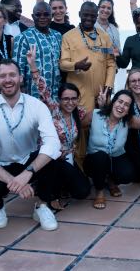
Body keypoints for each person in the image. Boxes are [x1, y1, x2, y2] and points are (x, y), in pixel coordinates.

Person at [0, 59, 63, 231]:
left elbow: (52, 143)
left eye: (12, 75)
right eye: (3, 76)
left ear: (21, 78)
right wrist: (15, 182)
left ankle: (42, 205)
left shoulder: (37, 106)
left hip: (27, 161)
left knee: (51, 158)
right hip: (0, 164)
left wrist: (27, 174)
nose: (8, 80)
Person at [26, 46, 91, 209]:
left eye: (73, 99)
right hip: (50, 158)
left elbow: (99, 115)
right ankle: (49, 195)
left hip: (68, 157)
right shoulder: (53, 109)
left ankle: (60, 187)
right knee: (54, 169)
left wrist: (105, 105)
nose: (70, 102)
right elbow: (43, 88)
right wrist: (33, 66)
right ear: (60, 100)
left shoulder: (80, 111)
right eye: (66, 99)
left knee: (83, 191)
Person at [60, 1, 117, 167]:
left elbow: (111, 64)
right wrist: (76, 65)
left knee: (102, 129)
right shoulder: (68, 36)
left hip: (101, 93)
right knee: (81, 129)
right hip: (79, 92)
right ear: (79, 14)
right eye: (86, 14)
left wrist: (108, 87)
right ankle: (79, 167)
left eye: (92, 15)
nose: (89, 18)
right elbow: (63, 63)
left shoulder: (104, 36)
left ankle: (102, 169)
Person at [12, 2, 62, 98]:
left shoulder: (58, 36)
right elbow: (17, 69)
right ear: (33, 16)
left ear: (51, 16)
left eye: (46, 14)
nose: (42, 17)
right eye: (38, 15)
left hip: (55, 94)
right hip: (33, 94)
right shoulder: (23, 37)